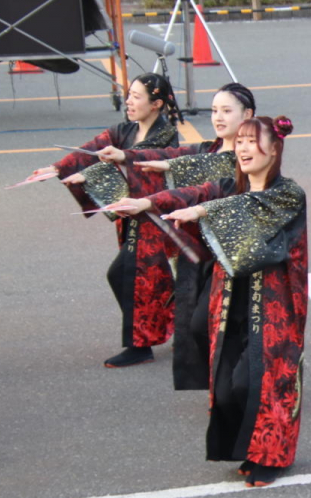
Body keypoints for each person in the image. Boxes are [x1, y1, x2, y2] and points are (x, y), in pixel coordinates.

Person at [112, 116, 308, 486]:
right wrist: (146, 202)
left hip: (273, 302)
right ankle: (248, 448)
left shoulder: (288, 193)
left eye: (254, 141)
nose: (245, 148)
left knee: (260, 381)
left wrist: (205, 211)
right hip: (230, 294)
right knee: (225, 384)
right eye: (242, 142)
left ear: (276, 148)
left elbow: (250, 206)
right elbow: (192, 193)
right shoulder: (227, 186)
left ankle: (274, 455)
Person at [96, 82, 257, 389]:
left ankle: (246, 383)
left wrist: (149, 197)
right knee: (199, 322)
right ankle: (227, 386)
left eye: (227, 111)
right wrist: (126, 158)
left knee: (218, 323)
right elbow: (181, 154)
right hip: (200, 249)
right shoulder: (212, 146)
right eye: (214, 111)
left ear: (246, 114)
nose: (218, 117)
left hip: (233, 255)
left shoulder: (244, 155)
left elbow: (198, 176)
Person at [31, 73, 181, 368]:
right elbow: (94, 148)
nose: (129, 101)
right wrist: (56, 168)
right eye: (129, 95)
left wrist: (88, 175)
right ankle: (183, 319)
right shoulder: (125, 129)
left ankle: (140, 345)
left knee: (132, 277)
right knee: (137, 277)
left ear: (156, 104)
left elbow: (135, 159)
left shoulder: (165, 135)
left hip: (153, 218)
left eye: (137, 97)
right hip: (132, 218)